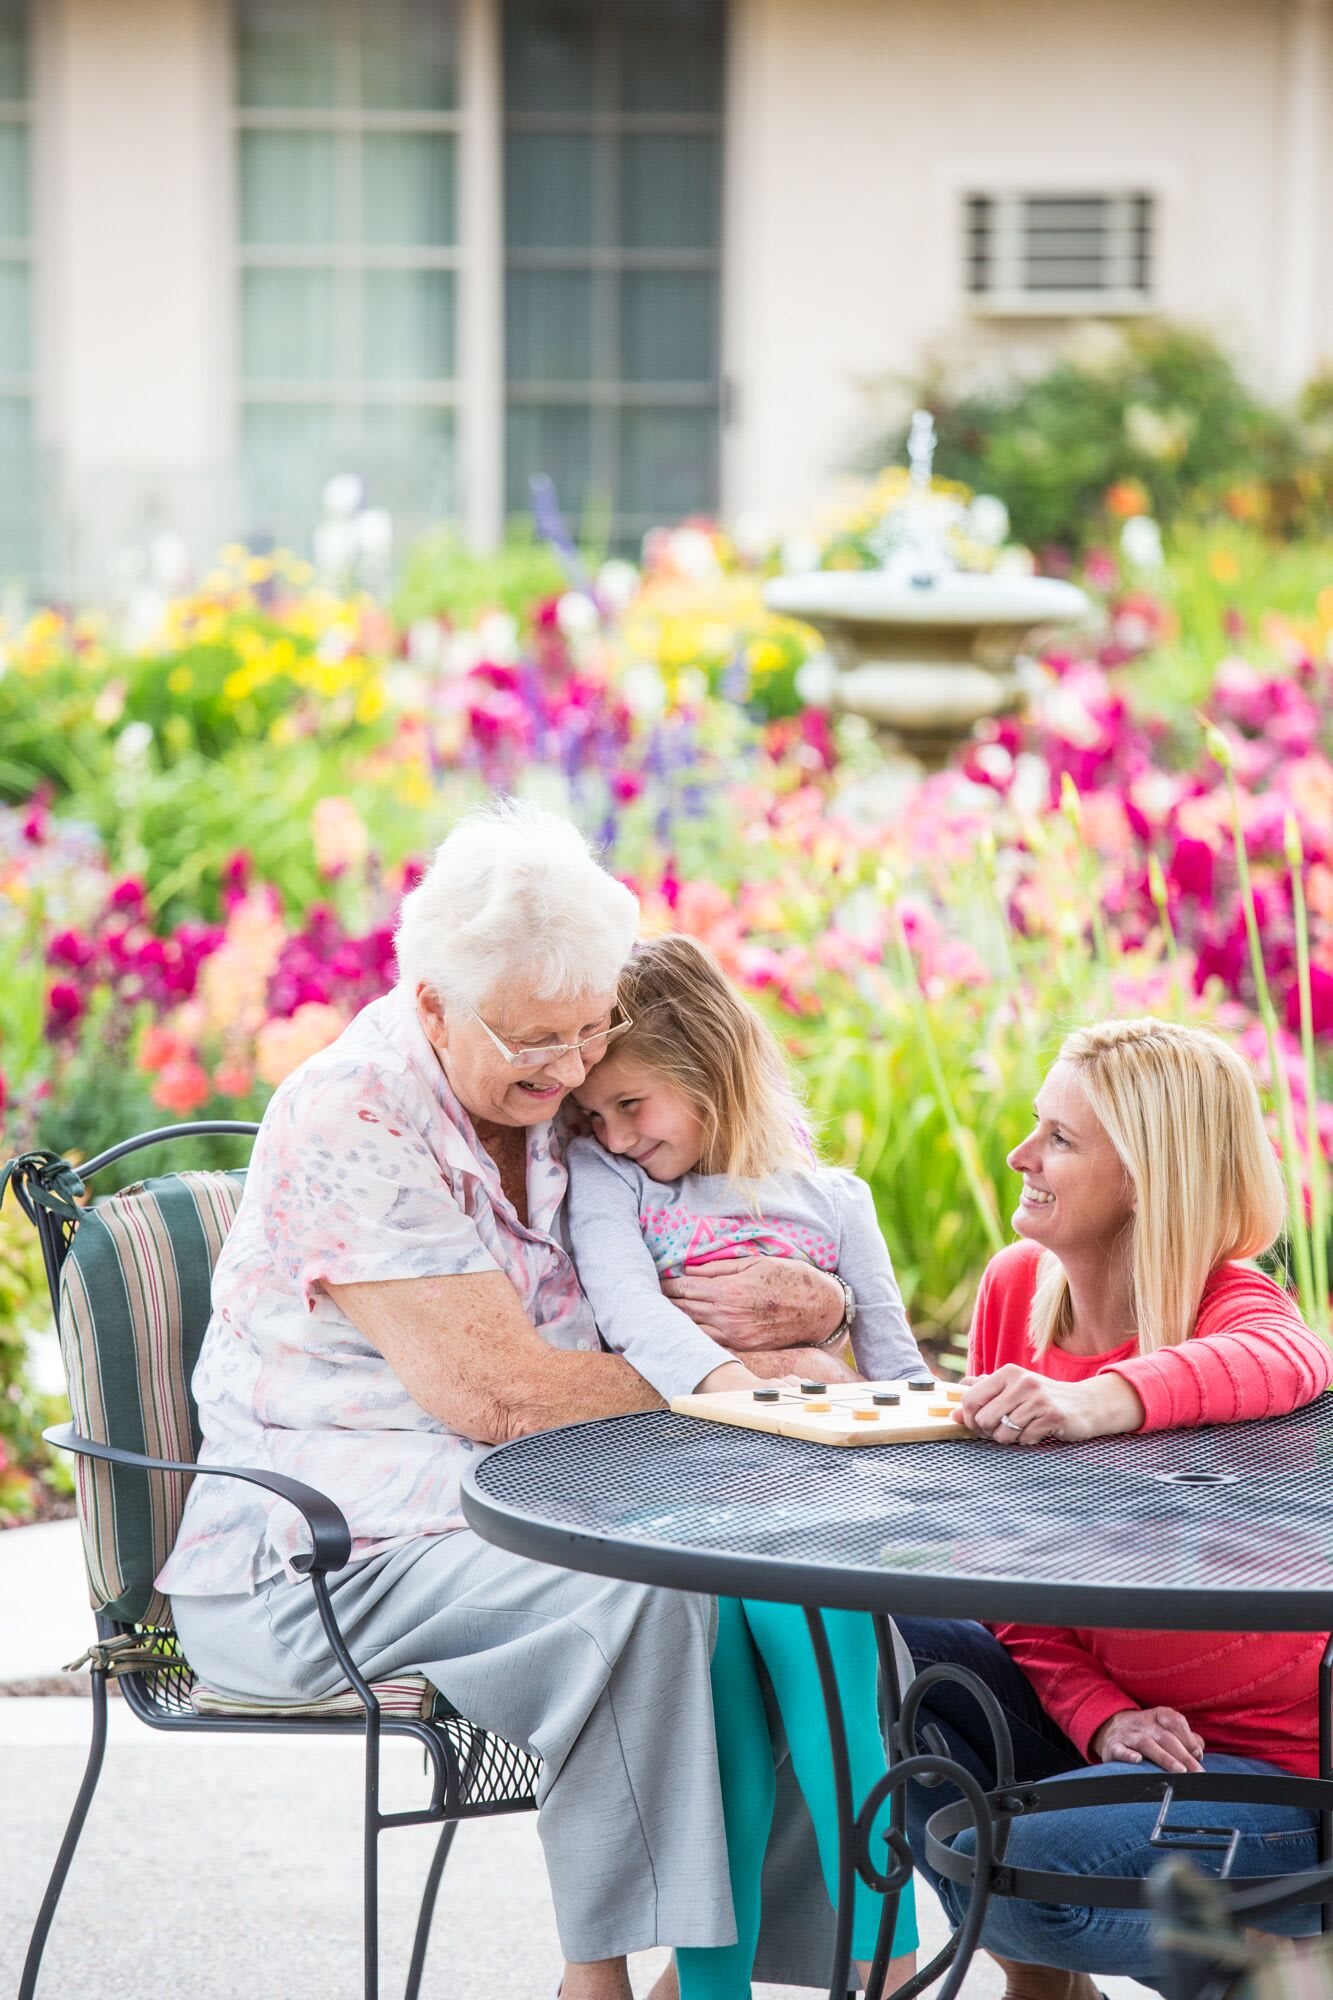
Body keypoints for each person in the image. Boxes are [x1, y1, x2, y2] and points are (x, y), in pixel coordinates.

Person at [157, 800, 859, 2000]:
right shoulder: (355, 1112)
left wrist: (818, 1313)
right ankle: (605, 1979)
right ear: (432, 1001)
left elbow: (718, 1275)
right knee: (649, 1600)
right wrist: (742, 1382)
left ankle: (829, 1954)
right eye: (539, 1040)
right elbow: (501, 1397)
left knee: (802, 1570)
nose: (577, 1070)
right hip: (321, 1550)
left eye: (591, 1033)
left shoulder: (569, 1108)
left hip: (538, 1499)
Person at [894, 1017, 1333, 2000]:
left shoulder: (1232, 1303)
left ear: (1143, 1173)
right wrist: (1099, 1716)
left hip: (1272, 1766)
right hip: (1111, 1719)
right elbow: (998, 1563)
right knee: (878, 1638)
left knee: (1006, 1873)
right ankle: (1060, 1984)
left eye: (1060, 1137)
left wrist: (1097, 1400)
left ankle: (1252, 1968)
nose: (1021, 1154)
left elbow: (1292, 1357)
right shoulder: (1018, 1291)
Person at [566, 932, 924, 2000]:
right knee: (719, 1712)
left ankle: (885, 1961)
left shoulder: (835, 1199)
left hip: (818, 1513)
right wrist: (753, 1392)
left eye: (632, 1104)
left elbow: (897, 1368)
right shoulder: (611, 1184)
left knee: (830, 1665)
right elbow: (629, 1312)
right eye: (596, 1115)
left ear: (709, 1061)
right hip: (682, 1503)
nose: (616, 1134)